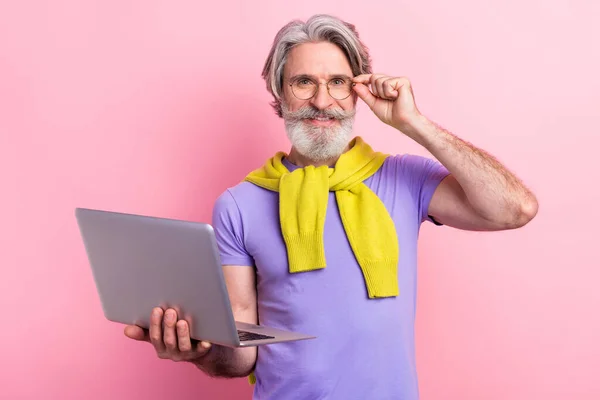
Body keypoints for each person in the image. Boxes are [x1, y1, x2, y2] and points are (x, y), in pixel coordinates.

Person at [124, 14, 538, 400]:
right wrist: (200, 349)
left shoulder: (403, 179)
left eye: (338, 82)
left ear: (358, 92)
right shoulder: (239, 204)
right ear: (280, 92)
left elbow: (513, 209)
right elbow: (242, 351)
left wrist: (413, 122)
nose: (322, 101)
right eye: (303, 81)